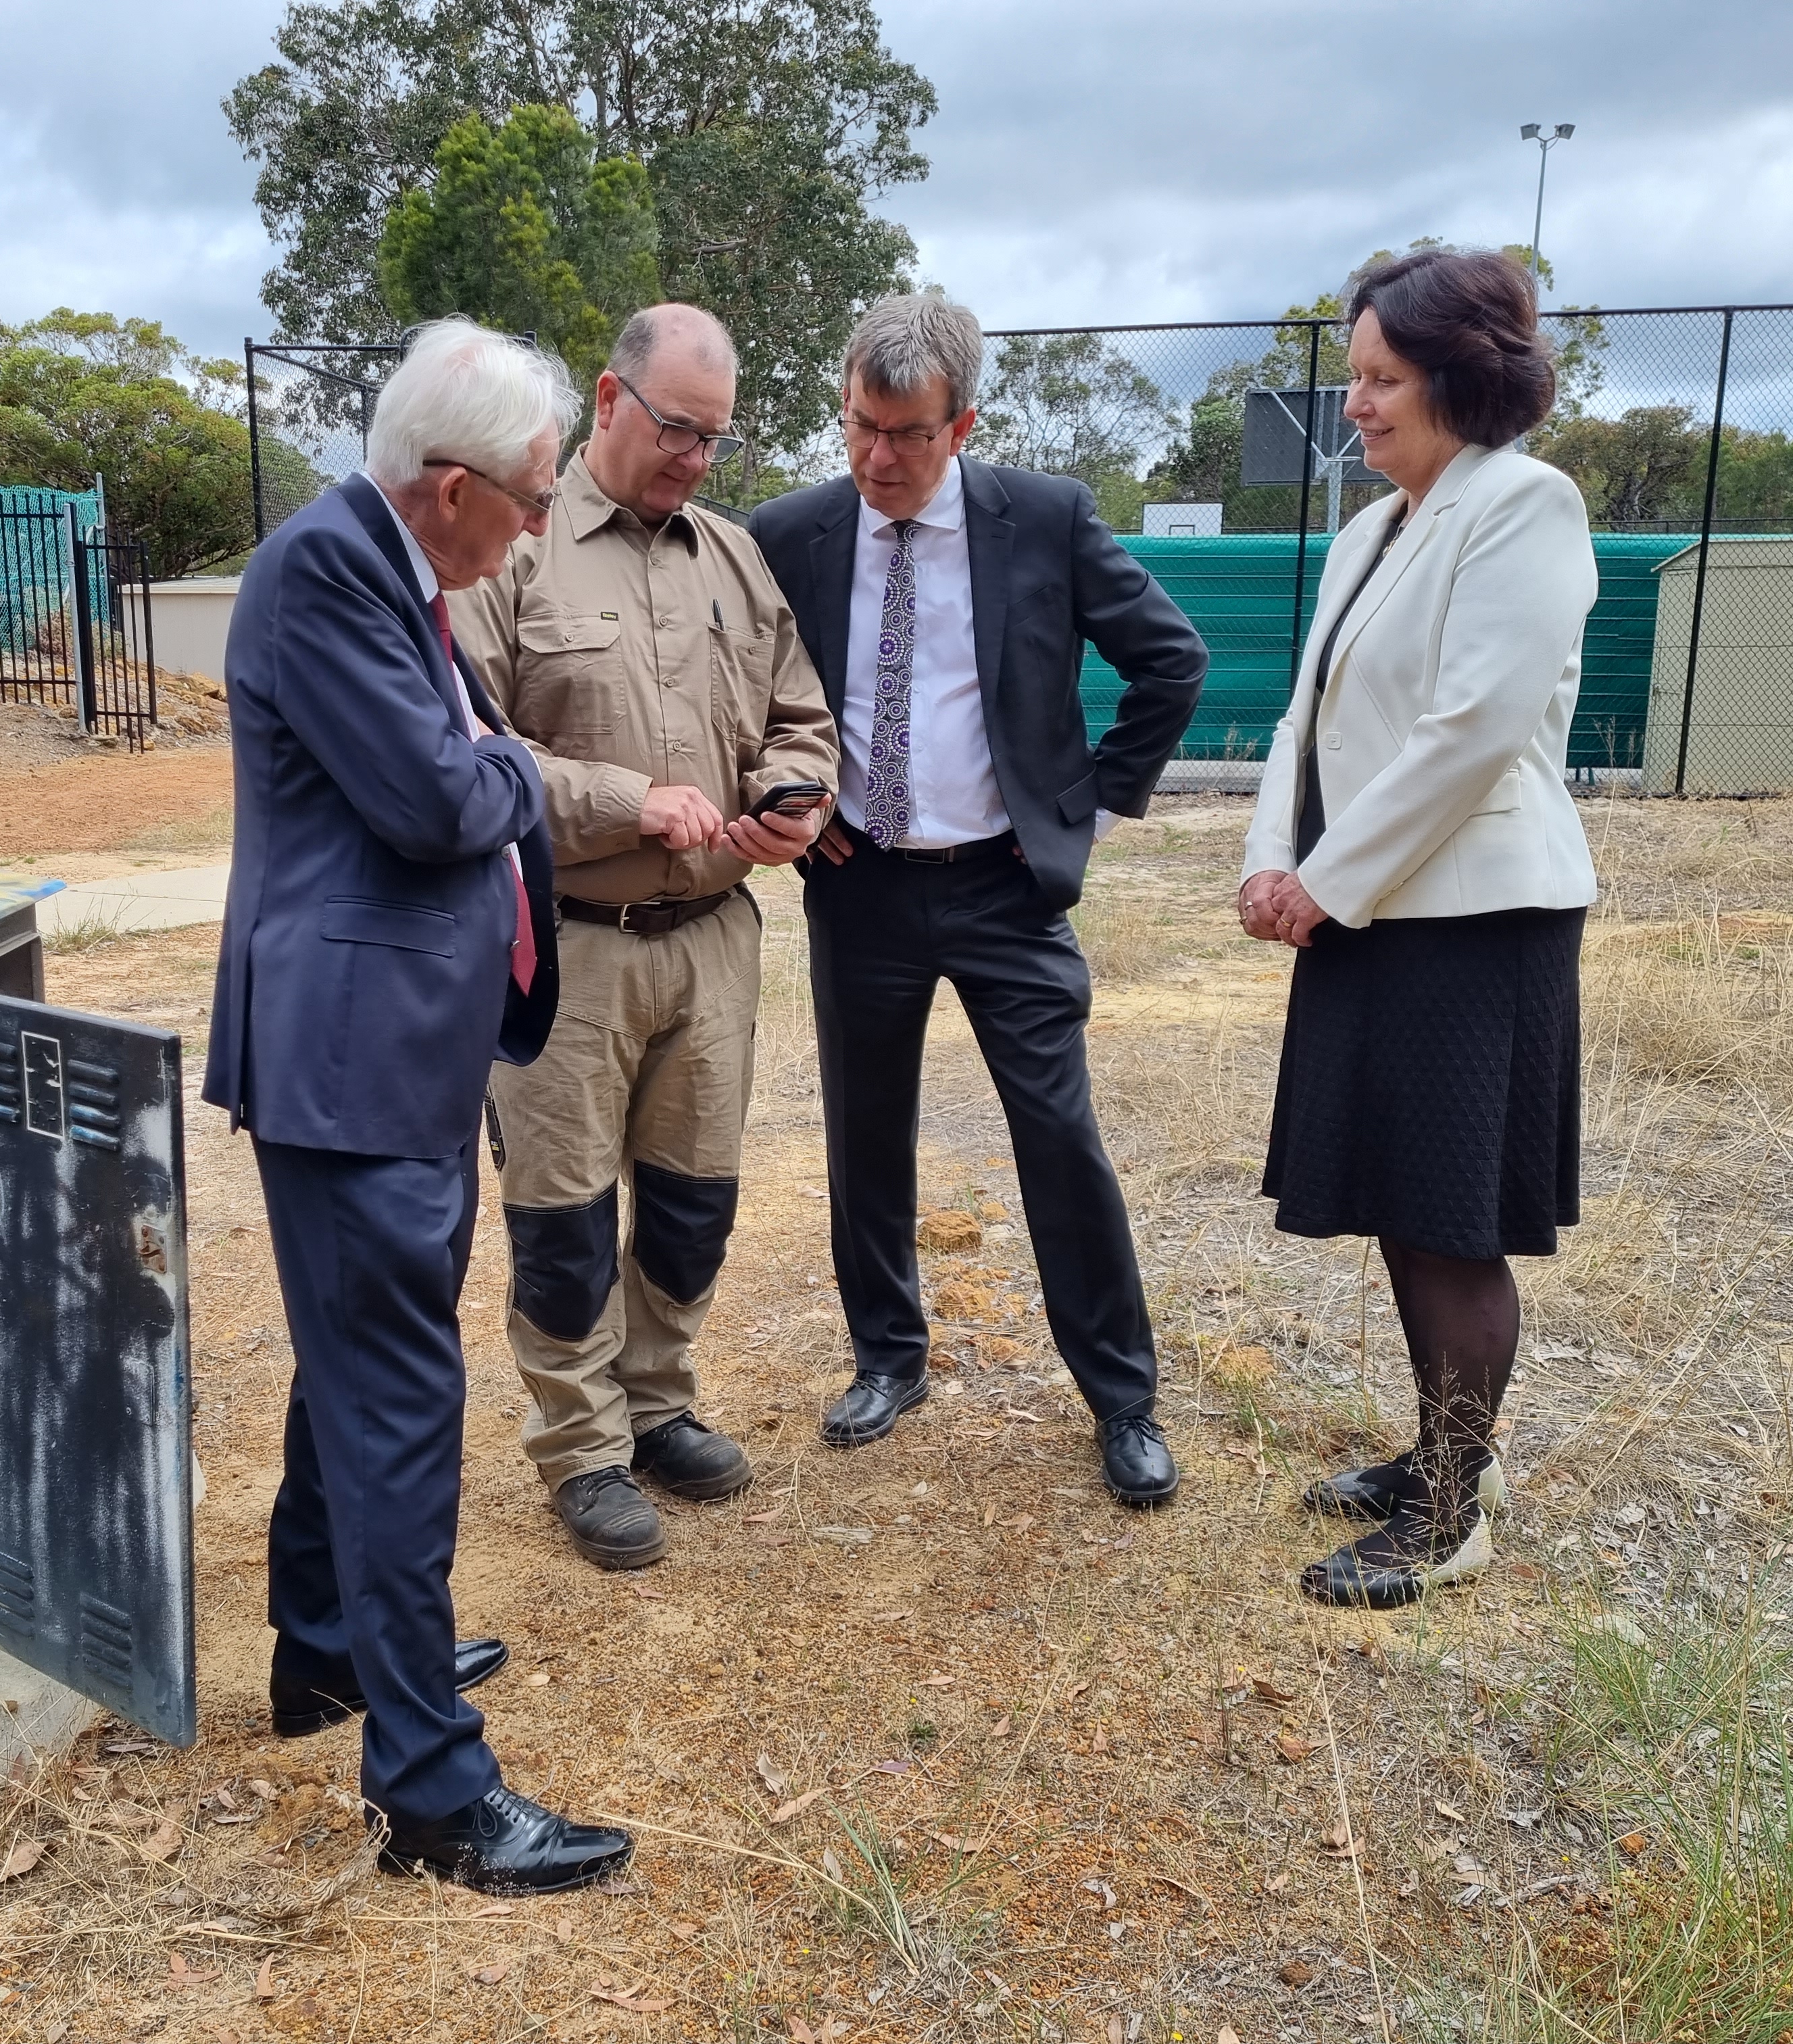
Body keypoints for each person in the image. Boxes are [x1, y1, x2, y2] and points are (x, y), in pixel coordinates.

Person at [203, 317, 629, 1893]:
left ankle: (328, 1655)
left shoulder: (394, 570)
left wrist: (487, 755)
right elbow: (442, 796)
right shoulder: (326, 572)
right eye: (526, 501)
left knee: (357, 1373)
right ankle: (434, 1795)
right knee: (396, 1405)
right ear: (445, 487)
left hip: (392, 1052)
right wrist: (516, 764)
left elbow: (446, 775)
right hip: (352, 1059)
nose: (534, 529)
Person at [750, 293, 1209, 1509]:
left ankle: (1122, 1397)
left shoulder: (1043, 521)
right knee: (865, 1134)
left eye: (907, 434)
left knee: (1059, 1138)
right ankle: (888, 1359)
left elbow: (1171, 659)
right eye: (859, 426)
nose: (878, 459)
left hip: (1007, 886)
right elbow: (735, 694)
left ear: (964, 425)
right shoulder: (788, 533)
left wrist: (1090, 803)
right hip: (859, 886)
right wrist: (794, 812)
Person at [447, 304, 838, 1570]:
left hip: (715, 932)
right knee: (562, 1219)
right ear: (610, 404)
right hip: (566, 942)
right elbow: (472, 750)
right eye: (678, 429)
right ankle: (582, 1448)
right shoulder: (512, 551)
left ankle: (661, 1405)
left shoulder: (734, 558)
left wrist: (795, 792)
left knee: (691, 1205)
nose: (695, 460)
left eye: (716, 440)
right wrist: (628, 800)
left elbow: (799, 715)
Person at [1237, 248, 1598, 1610]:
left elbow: (1475, 731)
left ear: (1458, 376)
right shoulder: (1371, 530)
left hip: (1475, 920)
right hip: (1377, 911)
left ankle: (1453, 1513)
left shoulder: (1527, 506)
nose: (1357, 405)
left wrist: (1328, 880)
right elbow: (1303, 716)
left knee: (1451, 1218)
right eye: (1356, 378)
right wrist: (1279, 857)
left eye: (1381, 379)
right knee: (1401, 1195)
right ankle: (1452, 1451)